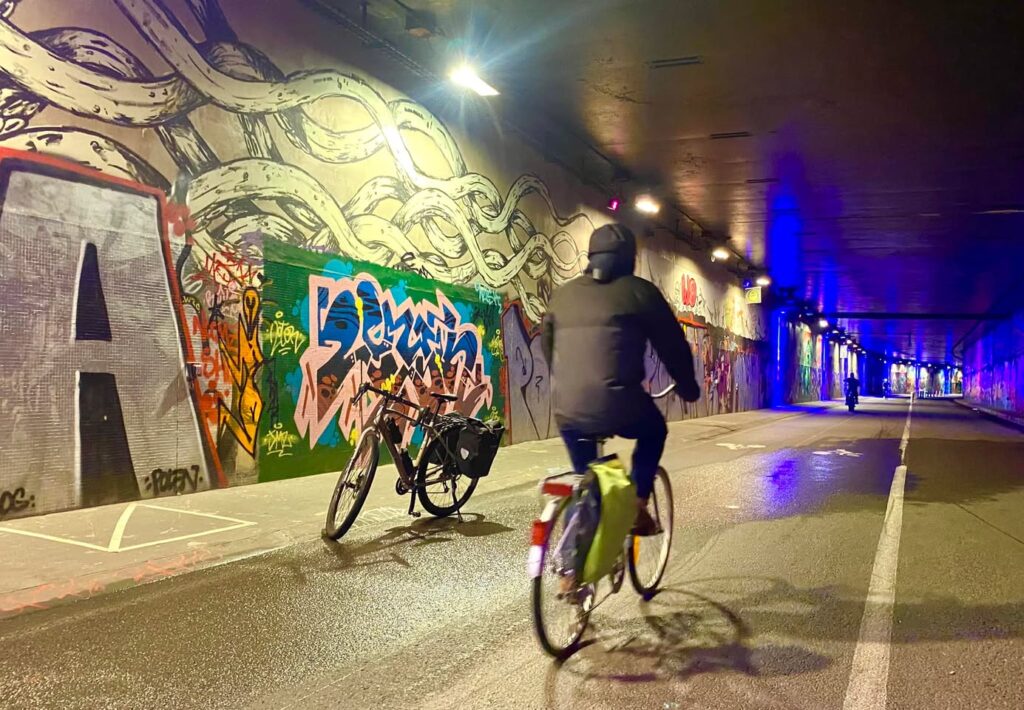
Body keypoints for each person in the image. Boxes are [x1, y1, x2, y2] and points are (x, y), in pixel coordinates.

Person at [541, 223, 701, 535]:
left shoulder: (563, 295)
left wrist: (567, 381)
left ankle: (576, 555)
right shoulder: (641, 292)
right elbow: (672, 347)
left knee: (589, 481)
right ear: (630, 258)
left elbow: (548, 347)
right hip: (620, 404)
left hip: (568, 409)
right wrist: (688, 386)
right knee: (654, 430)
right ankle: (636, 504)